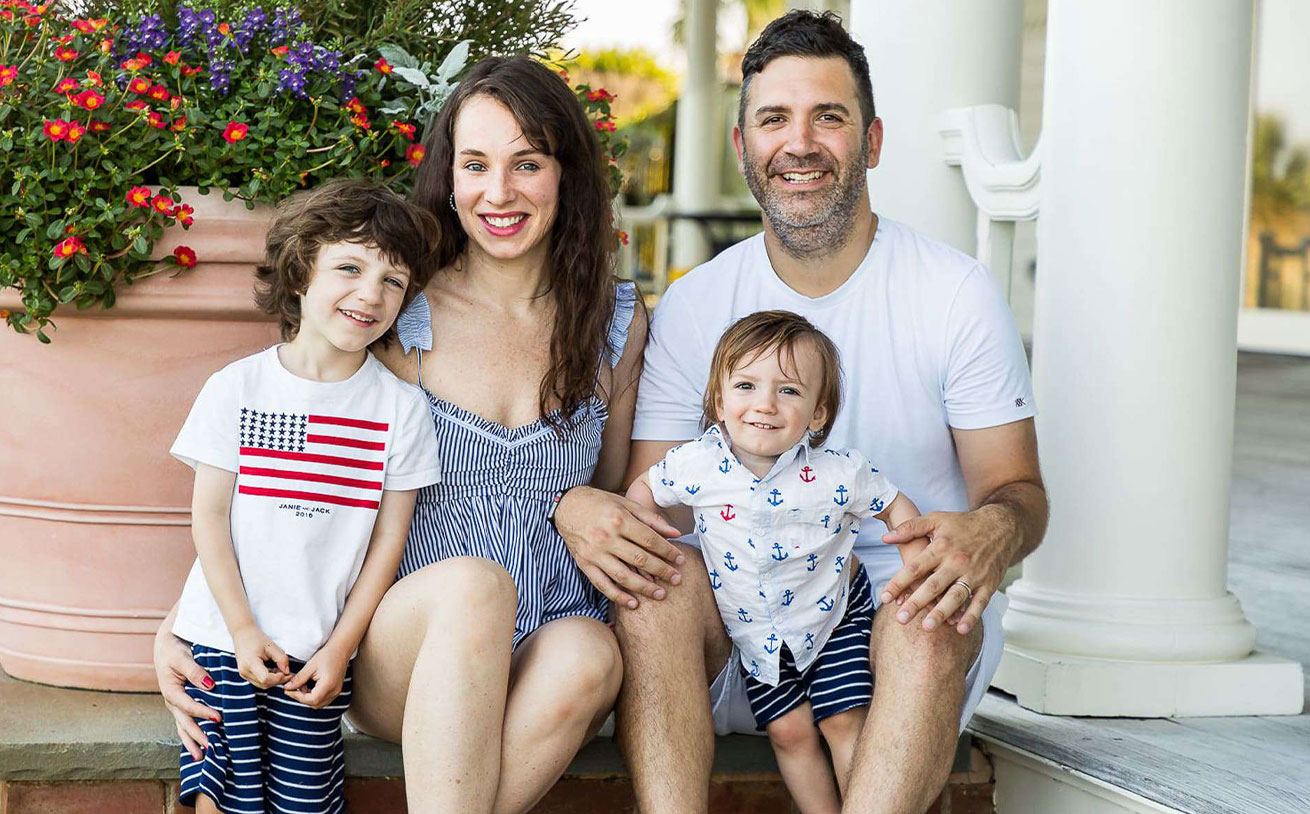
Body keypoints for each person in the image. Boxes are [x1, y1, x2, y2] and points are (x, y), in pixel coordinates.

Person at [553, 10, 1049, 812]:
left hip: (894, 637)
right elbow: (656, 510)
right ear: (743, 145)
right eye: (774, 119)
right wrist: (582, 505)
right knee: (654, 586)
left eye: (830, 117)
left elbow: (1018, 489)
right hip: (736, 626)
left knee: (928, 608)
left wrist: (993, 530)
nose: (802, 143)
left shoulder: (953, 293)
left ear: (873, 141)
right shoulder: (697, 304)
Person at [156, 56, 681, 813]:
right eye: (476, 165)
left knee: (589, 651)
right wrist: (181, 624)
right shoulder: (398, 313)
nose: (498, 193)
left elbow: (610, 496)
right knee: (473, 585)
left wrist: (579, 501)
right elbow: (285, 471)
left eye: (526, 163)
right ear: (449, 175)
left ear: (567, 175)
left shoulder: (618, 323)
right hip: (404, 647)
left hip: (541, 649)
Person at [167, 179, 444, 813]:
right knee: (215, 797)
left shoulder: (401, 410)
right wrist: (239, 629)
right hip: (222, 639)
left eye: (393, 281)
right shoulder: (236, 388)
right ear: (300, 272)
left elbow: (387, 541)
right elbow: (209, 517)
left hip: (318, 650)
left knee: (306, 803)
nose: (370, 294)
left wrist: (342, 646)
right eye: (350, 267)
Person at [627, 310, 925, 813]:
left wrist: (917, 565)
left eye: (788, 391)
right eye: (745, 385)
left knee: (843, 719)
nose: (764, 404)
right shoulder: (694, 464)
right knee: (789, 732)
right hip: (756, 628)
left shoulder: (838, 472)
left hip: (834, 615)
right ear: (719, 402)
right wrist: (642, 529)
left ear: (818, 414)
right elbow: (644, 492)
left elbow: (895, 505)